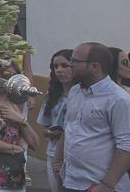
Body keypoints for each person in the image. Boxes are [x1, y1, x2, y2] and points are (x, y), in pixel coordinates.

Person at [57, 42, 130, 192]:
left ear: (95, 66)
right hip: (70, 180)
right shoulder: (75, 91)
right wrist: (57, 163)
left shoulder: (119, 99)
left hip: (99, 184)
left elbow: (125, 145)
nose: (70, 65)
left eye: (75, 61)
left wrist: (107, 185)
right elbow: (69, 129)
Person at [0, 63, 38, 191]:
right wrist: (15, 148)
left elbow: (34, 144)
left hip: (15, 175)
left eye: (15, 75)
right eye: (6, 74)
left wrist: (21, 120)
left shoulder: (14, 103)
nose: (10, 79)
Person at [39, 50, 75, 192]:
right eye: (55, 67)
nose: (59, 70)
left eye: (65, 65)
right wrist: (50, 132)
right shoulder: (52, 96)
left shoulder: (83, 95)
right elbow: (44, 126)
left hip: (74, 155)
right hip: (53, 153)